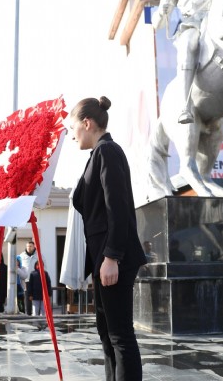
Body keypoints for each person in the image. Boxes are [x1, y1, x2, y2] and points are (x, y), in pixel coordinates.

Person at [68, 96, 148, 380]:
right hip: (103, 258)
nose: (72, 134)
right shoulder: (97, 154)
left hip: (114, 258)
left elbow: (119, 207)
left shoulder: (108, 152)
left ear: (87, 123)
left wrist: (112, 256)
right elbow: (80, 200)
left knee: (120, 336)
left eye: (73, 127)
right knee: (107, 335)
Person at [16, 241, 38, 315]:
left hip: (36, 281)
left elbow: (44, 266)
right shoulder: (22, 256)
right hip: (26, 280)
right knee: (27, 298)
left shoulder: (38, 256)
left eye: (30, 246)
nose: (29, 248)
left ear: (34, 246)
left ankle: (36, 314)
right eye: (28, 246)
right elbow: (19, 265)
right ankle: (28, 314)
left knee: (36, 298)